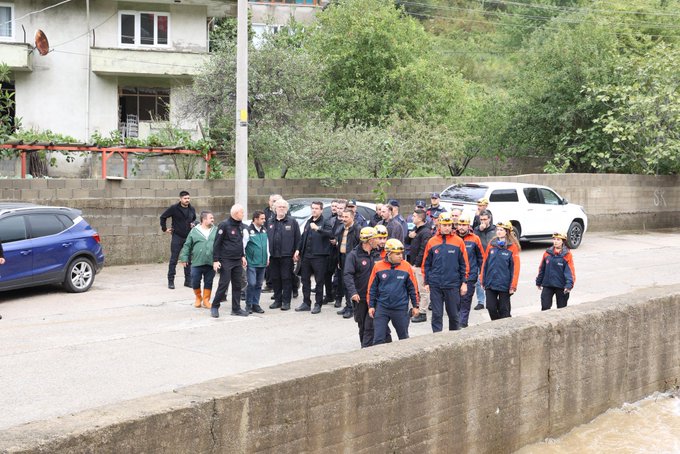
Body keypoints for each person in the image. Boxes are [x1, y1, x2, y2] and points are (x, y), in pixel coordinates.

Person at [422, 212, 469, 332]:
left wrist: (464, 282)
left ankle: (454, 339)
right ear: (439, 225)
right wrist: (426, 282)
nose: (447, 227)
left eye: (449, 225)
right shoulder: (432, 242)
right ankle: (438, 339)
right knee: (437, 315)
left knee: (454, 315)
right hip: (436, 284)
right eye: (444, 225)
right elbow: (426, 264)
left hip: (452, 284)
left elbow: (464, 264)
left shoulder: (458, 241)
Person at [368, 239, 419, 345]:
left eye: (401, 253)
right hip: (382, 307)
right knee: (378, 339)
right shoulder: (378, 266)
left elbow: (413, 288)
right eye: (397, 254)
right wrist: (371, 306)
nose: (401, 256)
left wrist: (415, 306)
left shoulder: (406, 266)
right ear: (389, 254)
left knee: (404, 338)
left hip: (400, 308)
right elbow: (372, 288)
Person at [343, 227, 381, 347]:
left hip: (375, 298)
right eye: (376, 238)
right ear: (369, 241)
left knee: (371, 326)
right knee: (362, 325)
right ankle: (364, 348)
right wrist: (353, 292)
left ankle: (367, 348)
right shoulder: (353, 255)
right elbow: (347, 275)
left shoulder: (377, 254)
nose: (379, 241)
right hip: (360, 297)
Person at [210, 204, 249, 318]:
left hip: (237, 260)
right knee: (224, 284)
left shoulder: (241, 226)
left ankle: (236, 309)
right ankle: (215, 306)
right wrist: (215, 260)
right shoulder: (224, 225)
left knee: (237, 285)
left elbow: (239, 243)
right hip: (226, 260)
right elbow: (217, 243)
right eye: (242, 212)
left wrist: (242, 256)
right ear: (236, 213)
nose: (243, 214)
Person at [297, 201, 333, 314]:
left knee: (319, 281)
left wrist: (318, 229)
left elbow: (331, 234)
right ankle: (306, 303)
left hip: (319, 257)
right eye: (312, 208)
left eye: (317, 208)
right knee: (305, 280)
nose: (314, 210)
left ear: (321, 210)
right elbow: (303, 238)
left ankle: (318, 304)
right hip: (306, 256)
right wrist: (298, 250)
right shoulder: (308, 222)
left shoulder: (325, 222)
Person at [480, 221, 520, 321]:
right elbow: (485, 263)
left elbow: (515, 268)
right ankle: (497, 324)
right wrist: (482, 279)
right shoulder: (491, 244)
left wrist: (513, 285)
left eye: (501, 230)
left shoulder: (512, 247)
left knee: (504, 310)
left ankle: (505, 326)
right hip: (490, 282)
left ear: (507, 232)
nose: (498, 232)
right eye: (497, 229)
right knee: (490, 307)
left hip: (504, 284)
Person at [267, 198, 301, 311]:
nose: (281, 209)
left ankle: (286, 302)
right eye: (279, 207)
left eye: (283, 207)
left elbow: (298, 238)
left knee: (286, 278)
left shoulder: (292, 222)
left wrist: (297, 250)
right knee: (275, 278)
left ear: (286, 209)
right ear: (275, 209)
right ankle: (277, 300)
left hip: (287, 256)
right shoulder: (270, 222)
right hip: (273, 256)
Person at [178, 211, 217, 310]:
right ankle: (198, 298)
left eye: (213, 218)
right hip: (197, 261)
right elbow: (187, 245)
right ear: (204, 219)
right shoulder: (194, 231)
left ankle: (206, 300)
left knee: (209, 282)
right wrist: (184, 257)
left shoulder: (216, 230)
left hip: (210, 262)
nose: (213, 219)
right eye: (210, 218)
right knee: (195, 281)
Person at [160, 191, 196, 289]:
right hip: (177, 237)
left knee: (188, 260)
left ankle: (188, 281)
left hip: (188, 238)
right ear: (180, 199)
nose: (187, 200)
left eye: (188, 198)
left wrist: (193, 223)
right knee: (174, 260)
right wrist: (164, 229)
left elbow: (194, 219)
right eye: (185, 198)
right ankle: (171, 281)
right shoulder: (174, 208)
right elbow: (163, 217)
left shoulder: (192, 209)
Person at [456, 216, 485, 328]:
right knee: (455, 302)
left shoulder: (475, 239)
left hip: (470, 275)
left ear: (469, 226)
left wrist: (481, 272)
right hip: (455, 276)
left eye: (464, 225)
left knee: (466, 301)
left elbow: (481, 258)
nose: (462, 227)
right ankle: (456, 322)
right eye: (460, 225)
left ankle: (462, 324)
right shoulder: (452, 238)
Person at [536, 232, 575, 310]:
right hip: (548, 285)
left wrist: (569, 285)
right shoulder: (547, 253)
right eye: (554, 239)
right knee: (545, 307)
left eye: (558, 240)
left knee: (561, 309)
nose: (555, 241)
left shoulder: (567, 255)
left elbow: (570, 272)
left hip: (561, 286)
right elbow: (542, 268)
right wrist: (539, 281)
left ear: (563, 241)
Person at [407, 209, 432, 323]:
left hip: (420, 266)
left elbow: (423, 250)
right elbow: (407, 241)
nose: (412, 218)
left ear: (420, 218)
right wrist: (410, 236)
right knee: (415, 289)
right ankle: (414, 309)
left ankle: (422, 312)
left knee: (422, 290)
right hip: (414, 264)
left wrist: (416, 264)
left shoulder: (425, 232)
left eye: (414, 216)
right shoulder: (416, 230)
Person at [336, 209, 361, 318]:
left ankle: (352, 308)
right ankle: (347, 305)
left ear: (352, 217)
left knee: (350, 284)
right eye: (343, 217)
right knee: (344, 283)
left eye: (346, 217)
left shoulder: (357, 229)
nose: (344, 219)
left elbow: (359, 245)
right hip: (342, 257)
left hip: (351, 259)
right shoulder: (342, 228)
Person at [245, 210, 269, 314]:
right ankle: (248, 304)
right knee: (252, 283)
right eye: (262, 219)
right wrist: (243, 258)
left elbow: (266, 244)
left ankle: (256, 304)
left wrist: (268, 256)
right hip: (252, 262)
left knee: (259, 284)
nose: (264, 220)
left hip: (262, 262)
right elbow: (243, 245)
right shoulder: (248, 230)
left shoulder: (264, 230)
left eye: (264, 218)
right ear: (255, 219)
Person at [473, 210, 495, 311]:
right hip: (479, 259)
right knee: (479, 281)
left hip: (492, 259)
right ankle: (481, 301)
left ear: (489, 219)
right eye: (481, 219)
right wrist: (479, 230)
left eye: (485, 219)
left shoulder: (494, 230)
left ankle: (493, 298)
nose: (483, 221)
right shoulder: (476, 230)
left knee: (492, 279)